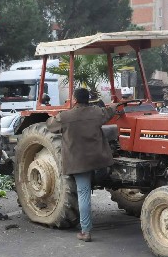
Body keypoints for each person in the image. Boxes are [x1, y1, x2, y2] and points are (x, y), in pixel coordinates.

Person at [46, 88, 116, 242]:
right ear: (88, 99)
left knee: (83, 194)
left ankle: (85, 231)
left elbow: (50, 125)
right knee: (102, 179)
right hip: (99, 160)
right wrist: (115, 106)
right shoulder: (97, 112)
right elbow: (110, 111)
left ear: (75, 100)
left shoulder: (65, 116)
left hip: (79, 162)